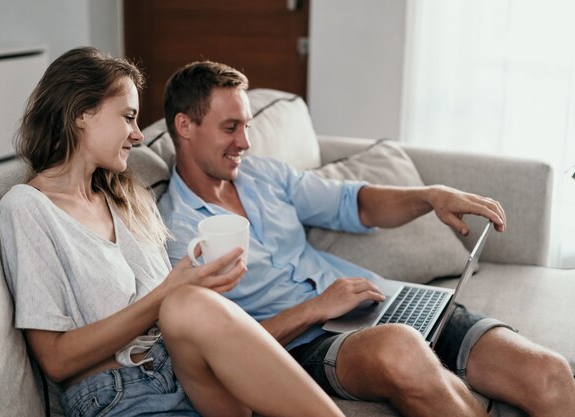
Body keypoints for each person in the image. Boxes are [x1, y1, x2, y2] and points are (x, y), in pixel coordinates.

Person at [158, 60, 575, 417]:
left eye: (246, 126)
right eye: (231, 128)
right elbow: (221, 348)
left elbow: (354, 204)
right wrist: (314, 308)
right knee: (401, 350)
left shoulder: (263, 175)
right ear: (185, 125)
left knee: (550, 374)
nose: (244, 143)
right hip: (304, 346)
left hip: (378, 302)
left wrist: (430, 196)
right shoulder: (180, 234)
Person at [0, 47, 346, 417]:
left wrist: (197, 289)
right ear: (83, 113)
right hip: (120, 392)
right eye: (128, 117)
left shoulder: (127, 198)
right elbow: (55, 360)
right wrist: (168, 294)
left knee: (188, 304)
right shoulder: (28, 207)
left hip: (188, 369)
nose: (138, 135)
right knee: (182, 302)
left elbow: (175, 309)